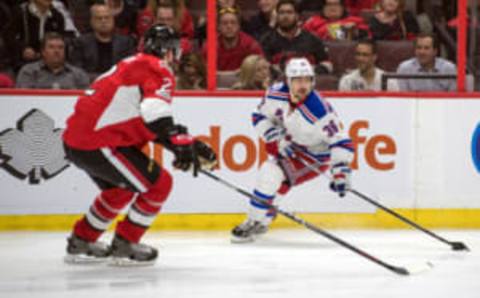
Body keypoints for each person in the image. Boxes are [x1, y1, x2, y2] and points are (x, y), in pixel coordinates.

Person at [62, 24, 217, 265]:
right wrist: (178, 142)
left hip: (77, 140)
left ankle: (82, 240)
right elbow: (154, 111)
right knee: (160, 185)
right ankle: (125, 244)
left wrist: (183, 143)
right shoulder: (158, 68)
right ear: (169, 51)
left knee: (120, 190)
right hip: (99, 142)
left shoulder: (133, 64)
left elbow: (145, 121)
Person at [231, 57, 354, 242]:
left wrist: (341, 171)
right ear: (288, 81)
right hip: (290, 146)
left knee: (270, 174)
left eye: (307, 80)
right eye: (297, 80)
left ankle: (253, 221)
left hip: (314, 157)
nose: (303, 85)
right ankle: (263, 218)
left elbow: (341, 140)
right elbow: (259, 116)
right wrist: (272, 134)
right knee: (275, 180)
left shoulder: (319, 110)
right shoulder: (274, 95)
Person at [260, 0, 332, 74]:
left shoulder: (312, 39)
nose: (285, 16)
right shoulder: (267, 40)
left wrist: (307, 71)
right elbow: (264, 67)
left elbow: (327, 65)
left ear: (297, 16)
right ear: (277, 16)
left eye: (289, 12)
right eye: (281, 13)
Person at [69, 3, 136, 81]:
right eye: (99, 18)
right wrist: (103, 79)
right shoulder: (81, 42)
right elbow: (77, 71)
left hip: (119, 85)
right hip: (90, 84)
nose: (103, 21)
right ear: (91, 21)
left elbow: (131, 68)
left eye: (107, 18)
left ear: (113, 20)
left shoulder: (126, 42)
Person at [3, 0, 66, 71]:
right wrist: (22, 49)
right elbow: (8, 36)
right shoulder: (21, 12)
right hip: (23, 62)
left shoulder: (57, 16)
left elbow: (60, 39)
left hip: (49, 62)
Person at [16, 32, 89, 89]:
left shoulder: (79, 74)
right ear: (43, 51)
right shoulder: (29, 71)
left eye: (60, 47)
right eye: (51, 47)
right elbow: (24, 98)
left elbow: (85, 100)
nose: (56, 51)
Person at [213, 6, 264, 71]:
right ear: (218, 27)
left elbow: (262, 66)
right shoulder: (210, 46)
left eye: (233, 23)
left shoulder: (250, 44)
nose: (229, 26)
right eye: (225, 23)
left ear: (239, 26)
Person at [302, 0, 371, 41]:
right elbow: (301, 36)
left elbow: (368, 36)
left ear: (342, 7)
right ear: (323, 8)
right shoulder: (313, 21)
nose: (332, 8)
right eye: (329, 4)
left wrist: (355, 31)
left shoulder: (355, 21)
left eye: (336, 4)